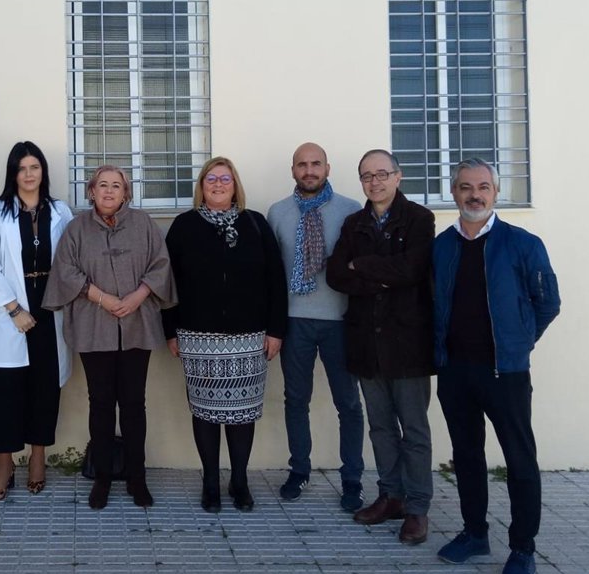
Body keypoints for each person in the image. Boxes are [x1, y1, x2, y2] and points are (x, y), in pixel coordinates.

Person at [433, 158, 561, 574]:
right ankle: (475, 534)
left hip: (505, 373)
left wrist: (519, 343)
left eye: (483, 187)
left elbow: (547, 302)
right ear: (454, 192)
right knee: (467, 456)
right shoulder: (442, 246)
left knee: (519, 460)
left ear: (495, 192)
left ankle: (523, 549)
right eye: (466, 187)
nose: (475, 195)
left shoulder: (522, 243)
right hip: (455, 371)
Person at [43, 165, 175, 510]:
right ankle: (102, 477)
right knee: (100, 403)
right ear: (91, 191)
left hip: (137, 323)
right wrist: (101, 297)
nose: (109, 191)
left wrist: (137, 296)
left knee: (133, 403)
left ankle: (137, 477)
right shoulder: (76, 229)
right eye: (102, 185)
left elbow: (161, 265)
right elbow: (66, 270)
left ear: (126, 193)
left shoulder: (144, 224)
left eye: (117, 186)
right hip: (93, 326)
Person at [325, 149, 435, 544]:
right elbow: (336, 275)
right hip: (366, 341)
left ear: (398, 176)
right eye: (367, 176)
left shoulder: (419, 219)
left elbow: (413, 269)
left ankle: (417, 507)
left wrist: (363, 265)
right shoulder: (354, 223)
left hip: (407, 342)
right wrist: (382, 274)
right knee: (381, 427)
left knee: (414, 429)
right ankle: (391, 496)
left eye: (382, 174)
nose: (375, 182)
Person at [165, 157, 287, 513]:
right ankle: (210, 482)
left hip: (248, 338)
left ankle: (239, 480)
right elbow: (167, 283)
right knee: (205, 412)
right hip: (198, 338)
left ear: (235, 186)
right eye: (211, 179)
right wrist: (170, 331)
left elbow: (276, 280)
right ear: (201, 186)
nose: (218, 184)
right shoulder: (184, 226)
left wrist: (276, 330)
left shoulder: (255, 224)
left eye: (225, 179)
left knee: (242, 413)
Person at [266, 142, 366, 511]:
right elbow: (270, 272)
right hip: (295, 321)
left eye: (315, 164)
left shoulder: (351, 210)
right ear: (293, 170)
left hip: (340, 321)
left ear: (327, 167)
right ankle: (299, 470)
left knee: (348, 402)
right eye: (302, 165)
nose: (309, 171)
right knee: (296, 399)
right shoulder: (277, 212)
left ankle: (352, 478)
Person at [0, 142, 74, 502]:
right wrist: (14, 309)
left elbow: (71, 260)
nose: (29, 174)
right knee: (4, 392)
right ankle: (4, 465)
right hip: (10, 313)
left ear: (43, 171)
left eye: (35, 167)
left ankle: (37, 458)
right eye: (22, 168)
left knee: (44, 388)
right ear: (13, 174)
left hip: (50, 307)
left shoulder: (60, 211)